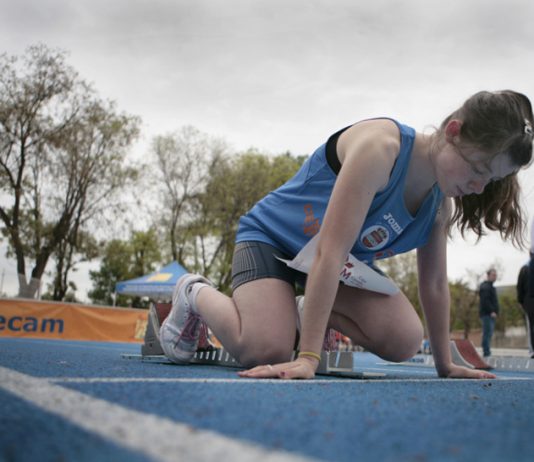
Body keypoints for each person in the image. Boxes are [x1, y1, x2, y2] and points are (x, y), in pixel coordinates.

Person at [160, 90, 533, 380]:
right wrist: (307, 358)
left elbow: (434, 284)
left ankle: (306, 312)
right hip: (273, 240)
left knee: (404, 338)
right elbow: (330, 251)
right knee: (265, 349)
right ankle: (193, 292)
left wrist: (445, 363)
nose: (480, 186)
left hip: (330, 268)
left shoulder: (439, 205)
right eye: (479, 168)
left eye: (492, 179)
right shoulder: (381, 149)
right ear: (454, 131)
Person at [478, 268, 500, 357]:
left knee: (489, 333)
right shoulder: (485, 287)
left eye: (496, 275)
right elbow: (485, 301)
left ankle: (487, 351)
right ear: (488, 276)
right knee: (487, 333)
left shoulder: (491, 286)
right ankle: (486, 352)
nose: (495, 277)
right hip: (487, 314)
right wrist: (491, 311)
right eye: (493, 275)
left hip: (490, 314)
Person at [517, 253, 534, 358]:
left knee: (532, 326)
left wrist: (521, 301)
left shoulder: (525, 268)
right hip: (530, 300)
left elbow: (520, 287)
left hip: (529, 301)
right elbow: (520, 286)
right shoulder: (526, 268)